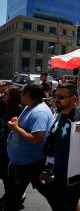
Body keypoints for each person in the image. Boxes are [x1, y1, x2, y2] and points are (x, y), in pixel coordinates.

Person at [40, 83, 80, 211]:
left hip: (74, 177)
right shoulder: (57, 115)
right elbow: (52, 145)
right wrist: (48, 167)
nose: (56, 100)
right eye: (55, 96)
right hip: (57, 174)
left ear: (74, 98)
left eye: (61, 96)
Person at [5, 83, 54, 211]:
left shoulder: (39, 112)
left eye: (22, 92)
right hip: (20, 163)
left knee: (54, 197)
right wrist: (18, 124)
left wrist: (16, 128)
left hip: (32, 165)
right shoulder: (30, 107)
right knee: (11, 200)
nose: (20, 94)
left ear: (27, 94)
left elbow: (36, 139)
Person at [0, 85, 23, 205]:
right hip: (2, 144)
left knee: (9, 172)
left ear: (12, 96)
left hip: (10, 146)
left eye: (6, 93)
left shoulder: (18, 109)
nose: (3, 95)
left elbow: (17, 130)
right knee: (3, 172)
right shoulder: (4, 106)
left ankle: (13, 196)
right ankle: (8, 194)